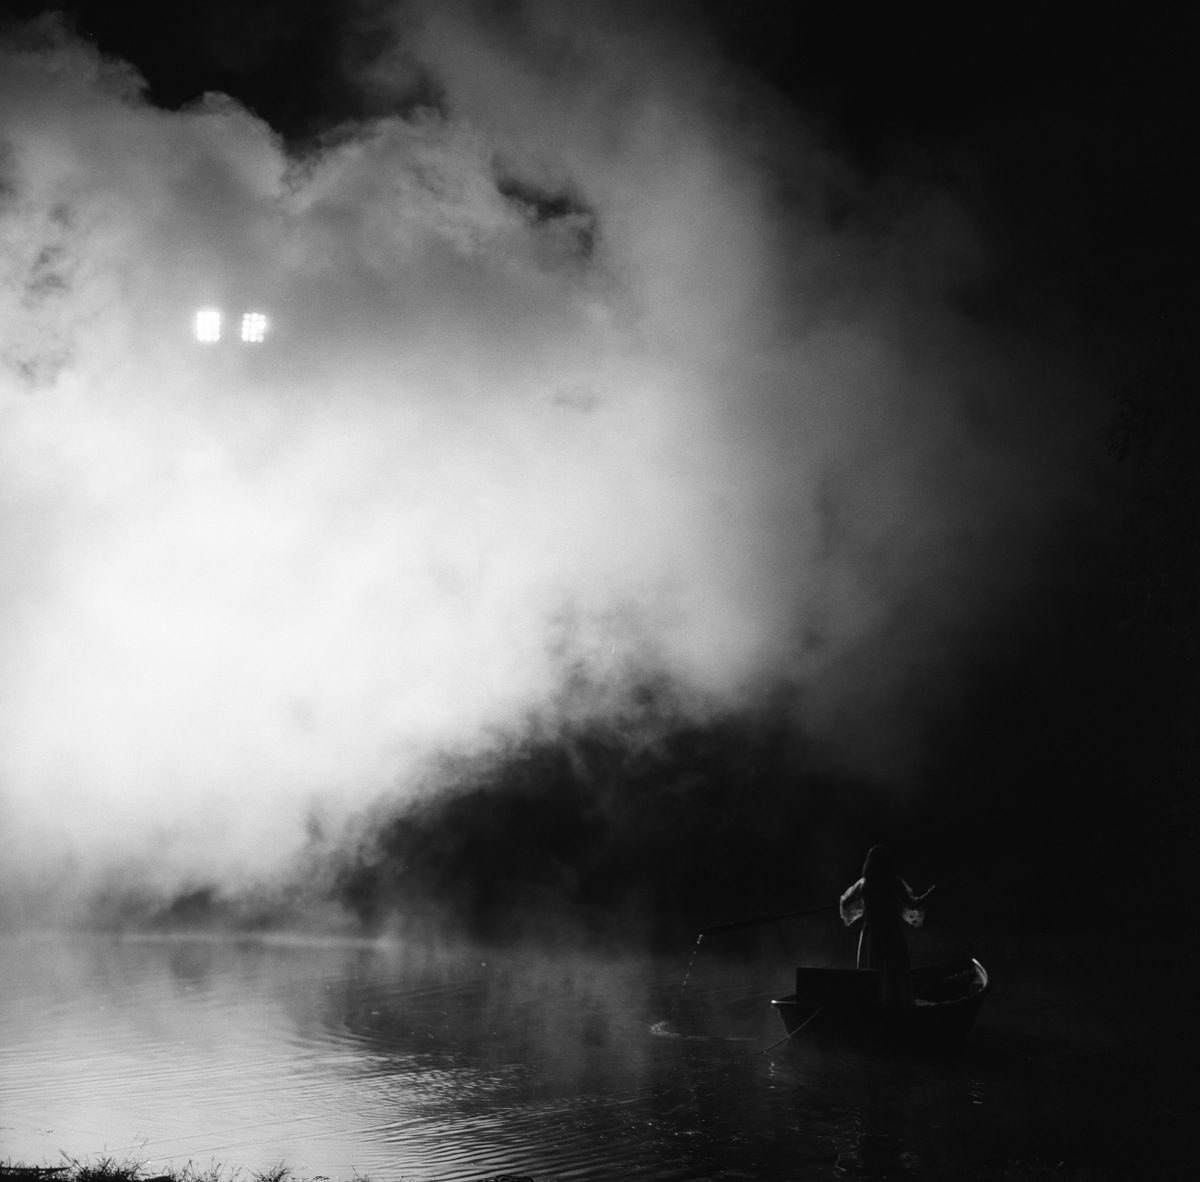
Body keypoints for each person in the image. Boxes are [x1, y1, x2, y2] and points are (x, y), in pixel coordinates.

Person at [839, 845, 934, 1007]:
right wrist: (930, 895)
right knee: (892, 970)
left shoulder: (864, 884)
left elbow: (846, 903)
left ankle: (874, 1004)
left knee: (873, 969)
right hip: (890, 933)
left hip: (871, 934)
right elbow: (912, 904)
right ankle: (895, 1002)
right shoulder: (893, 882)